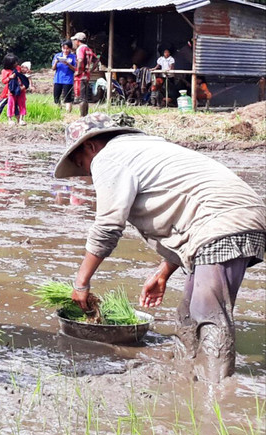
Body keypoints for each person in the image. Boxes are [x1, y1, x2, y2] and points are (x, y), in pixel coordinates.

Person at [54, 113, 266, 383]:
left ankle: (216, 395)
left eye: (83, 165)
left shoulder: (108, 157)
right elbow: (186, 212)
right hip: (231, 219)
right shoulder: (145, 149)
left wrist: (81, 283)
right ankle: (188, 378)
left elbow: (108, 227)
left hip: (222, 222)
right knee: (188, 315)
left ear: (91, 146)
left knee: (208, 316)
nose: (87, 173)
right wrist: (164, 271)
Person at [71, 32, 97, 117]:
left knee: (81, 98)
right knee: (85, 98)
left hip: (81, 76)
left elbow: (80, 60)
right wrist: (91, 70)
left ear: (78, 41)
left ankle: (82, 116)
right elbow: (96, 60)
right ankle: (86, 115)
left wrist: (78, 71)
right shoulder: (89, 49)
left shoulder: (80, 49)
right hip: (87, 75)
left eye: (75, 40)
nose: (74, 42)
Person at [1, 55, 29, 126]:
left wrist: (26, 70)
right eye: (15, 62)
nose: (17, 63)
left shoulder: (18, 68)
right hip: (12, 90)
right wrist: (10, 77)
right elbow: (4, 81)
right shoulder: (5, 71)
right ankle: (10, 119)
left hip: (21, 89)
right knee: (11, 104)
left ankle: (21, 119)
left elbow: (24, 70)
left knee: (22, 104)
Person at [51, 40, 76, 112]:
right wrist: (56, 62)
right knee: (56, 97)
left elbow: (75, 69)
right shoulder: (57, 55)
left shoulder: (73, 57)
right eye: (64, 48)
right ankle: (58, 110)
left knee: (67, 97)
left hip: (68, 79)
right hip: (58, 79)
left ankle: (68, 112)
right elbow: (53, 68)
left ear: (70, 49)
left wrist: (68, 64)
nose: (65, 50)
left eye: (67, 48)